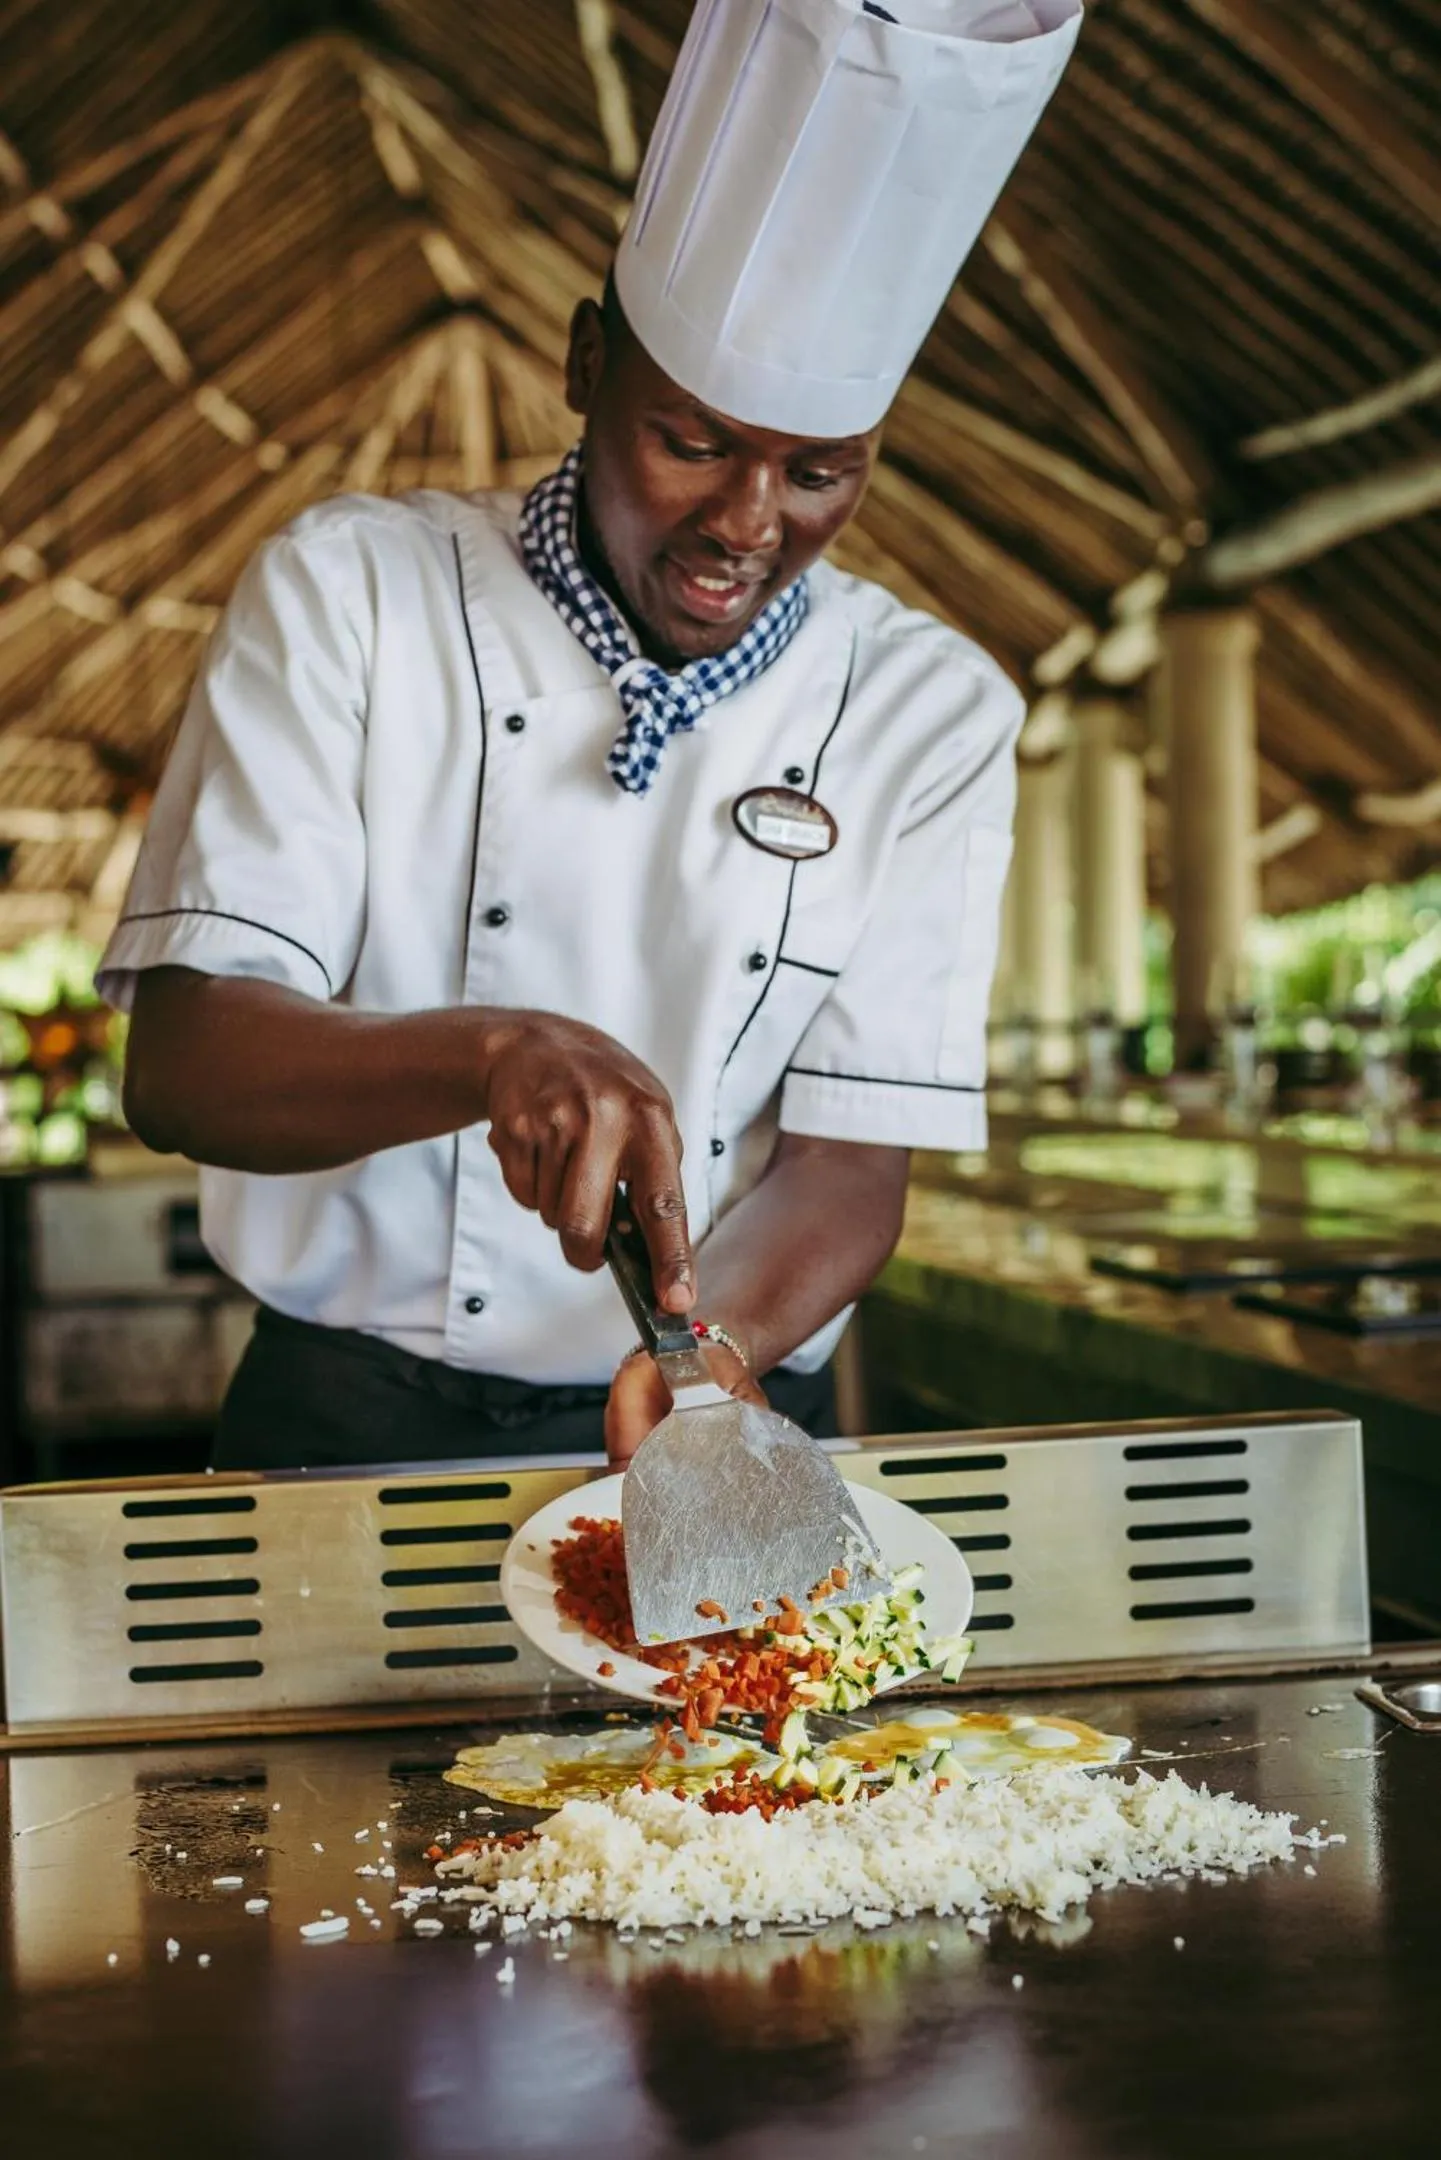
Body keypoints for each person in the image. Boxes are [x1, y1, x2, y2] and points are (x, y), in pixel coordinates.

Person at [99, 0, 1082, 1470]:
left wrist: (707, 1360)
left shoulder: (928, 709)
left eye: (820, 473)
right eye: (691, 443)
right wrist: (496, 1052)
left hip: (714, 1414)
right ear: (582, 363)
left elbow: (850, 1162)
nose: (749, 525)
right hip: (351, 1422)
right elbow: (184, 1062)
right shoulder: (356, 591)